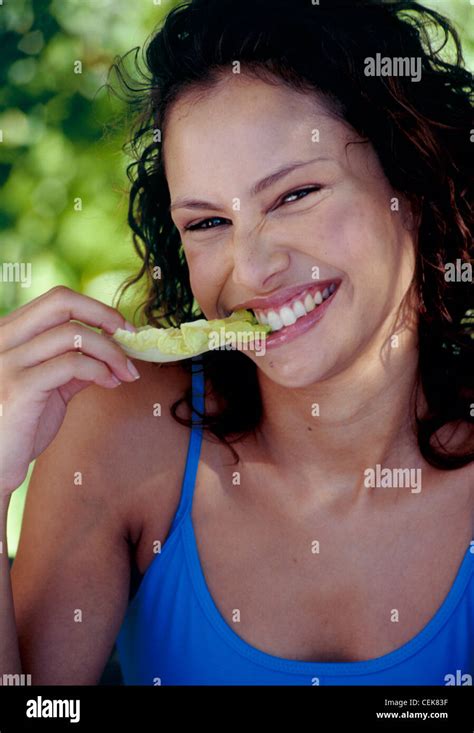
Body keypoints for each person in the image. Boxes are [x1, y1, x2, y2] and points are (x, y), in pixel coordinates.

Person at [0, 0, 472, 686]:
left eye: (296, 194)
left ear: (414, 182)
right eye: (209, 222)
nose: (249, 270)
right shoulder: (119, 429)